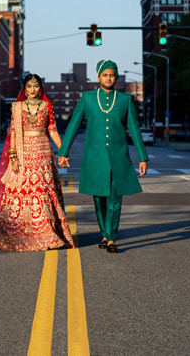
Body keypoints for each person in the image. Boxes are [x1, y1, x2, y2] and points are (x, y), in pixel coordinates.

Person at [58, 60, 147, 253]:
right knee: (99, 199)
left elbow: (134, 128)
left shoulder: (125, 100)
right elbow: (73, 124)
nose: (108, 78)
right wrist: (63, 152)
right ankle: (105, 234)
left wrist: (142, 157)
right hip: (94, 159)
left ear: (116, 77)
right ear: (98, 77)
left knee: (115, 199)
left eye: (112, 75)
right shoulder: (87, 98)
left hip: (119, 158)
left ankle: (111, 238)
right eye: (105, 75)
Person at [0, 74, 74, 251]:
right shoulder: (17, 107)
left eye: (36, 86)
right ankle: (19, 233)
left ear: (40, 87)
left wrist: (63, 149)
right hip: (23, 152)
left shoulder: (46, 106)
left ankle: (47, 232)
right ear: (24, 88)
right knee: (20, 192)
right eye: (29, 86)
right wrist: (12, 157)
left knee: (43, 191)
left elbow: (52, 131)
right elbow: (13, 132)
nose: (33, 90)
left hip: (43, 152)